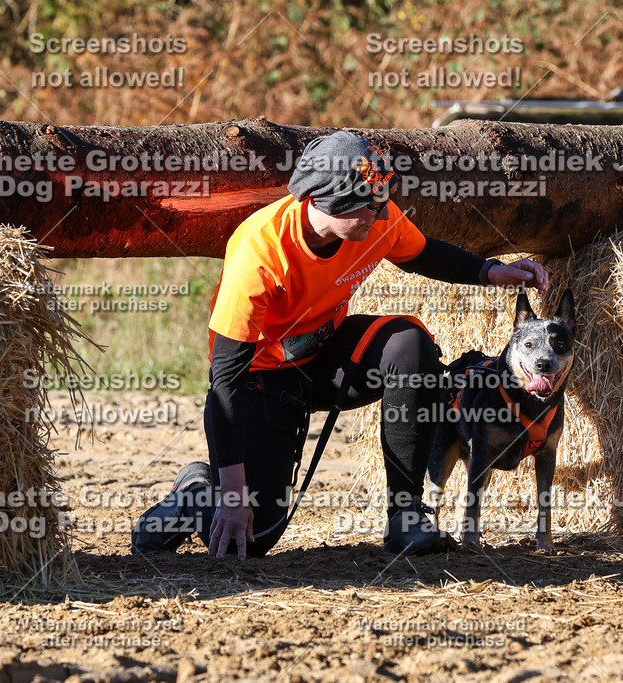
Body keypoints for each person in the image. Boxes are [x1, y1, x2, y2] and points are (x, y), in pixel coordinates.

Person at [131, 131, 548, 560]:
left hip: (323, 360)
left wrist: (490, 271)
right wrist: (233, 495)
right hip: (258, 380)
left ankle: (405, 516)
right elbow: (224, 382)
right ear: (330, 200)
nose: (382, 212)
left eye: (383, 201)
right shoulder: (260, 253)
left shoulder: (375, 219)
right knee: (254, 539)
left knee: (410, 345)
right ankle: (195, 493)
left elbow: (423, 253)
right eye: (371, 204)